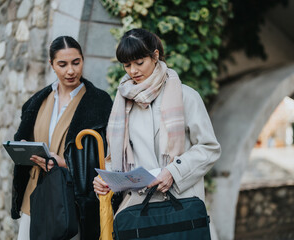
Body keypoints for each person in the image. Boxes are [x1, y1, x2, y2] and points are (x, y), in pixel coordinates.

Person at [93, 28, 221, 213]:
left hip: (180, 204)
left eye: (139, 62)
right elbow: (117, 158)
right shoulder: (122, 104)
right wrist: (106, 181)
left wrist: (173, 172)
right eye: (127, 65)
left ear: (155, 56)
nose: (133, 71)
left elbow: (209, 147)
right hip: (137, 209)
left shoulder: (186, 96)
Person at [11, 36, 113, 240]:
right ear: (51, 65)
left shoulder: (99, 103)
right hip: (34, 196)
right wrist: (24, 147)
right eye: (62, 64)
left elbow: (106, 158)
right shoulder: (37, 101)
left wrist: (66, 164)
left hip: (71, 202)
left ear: (83, 60)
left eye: (76, 62)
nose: (71, 71)